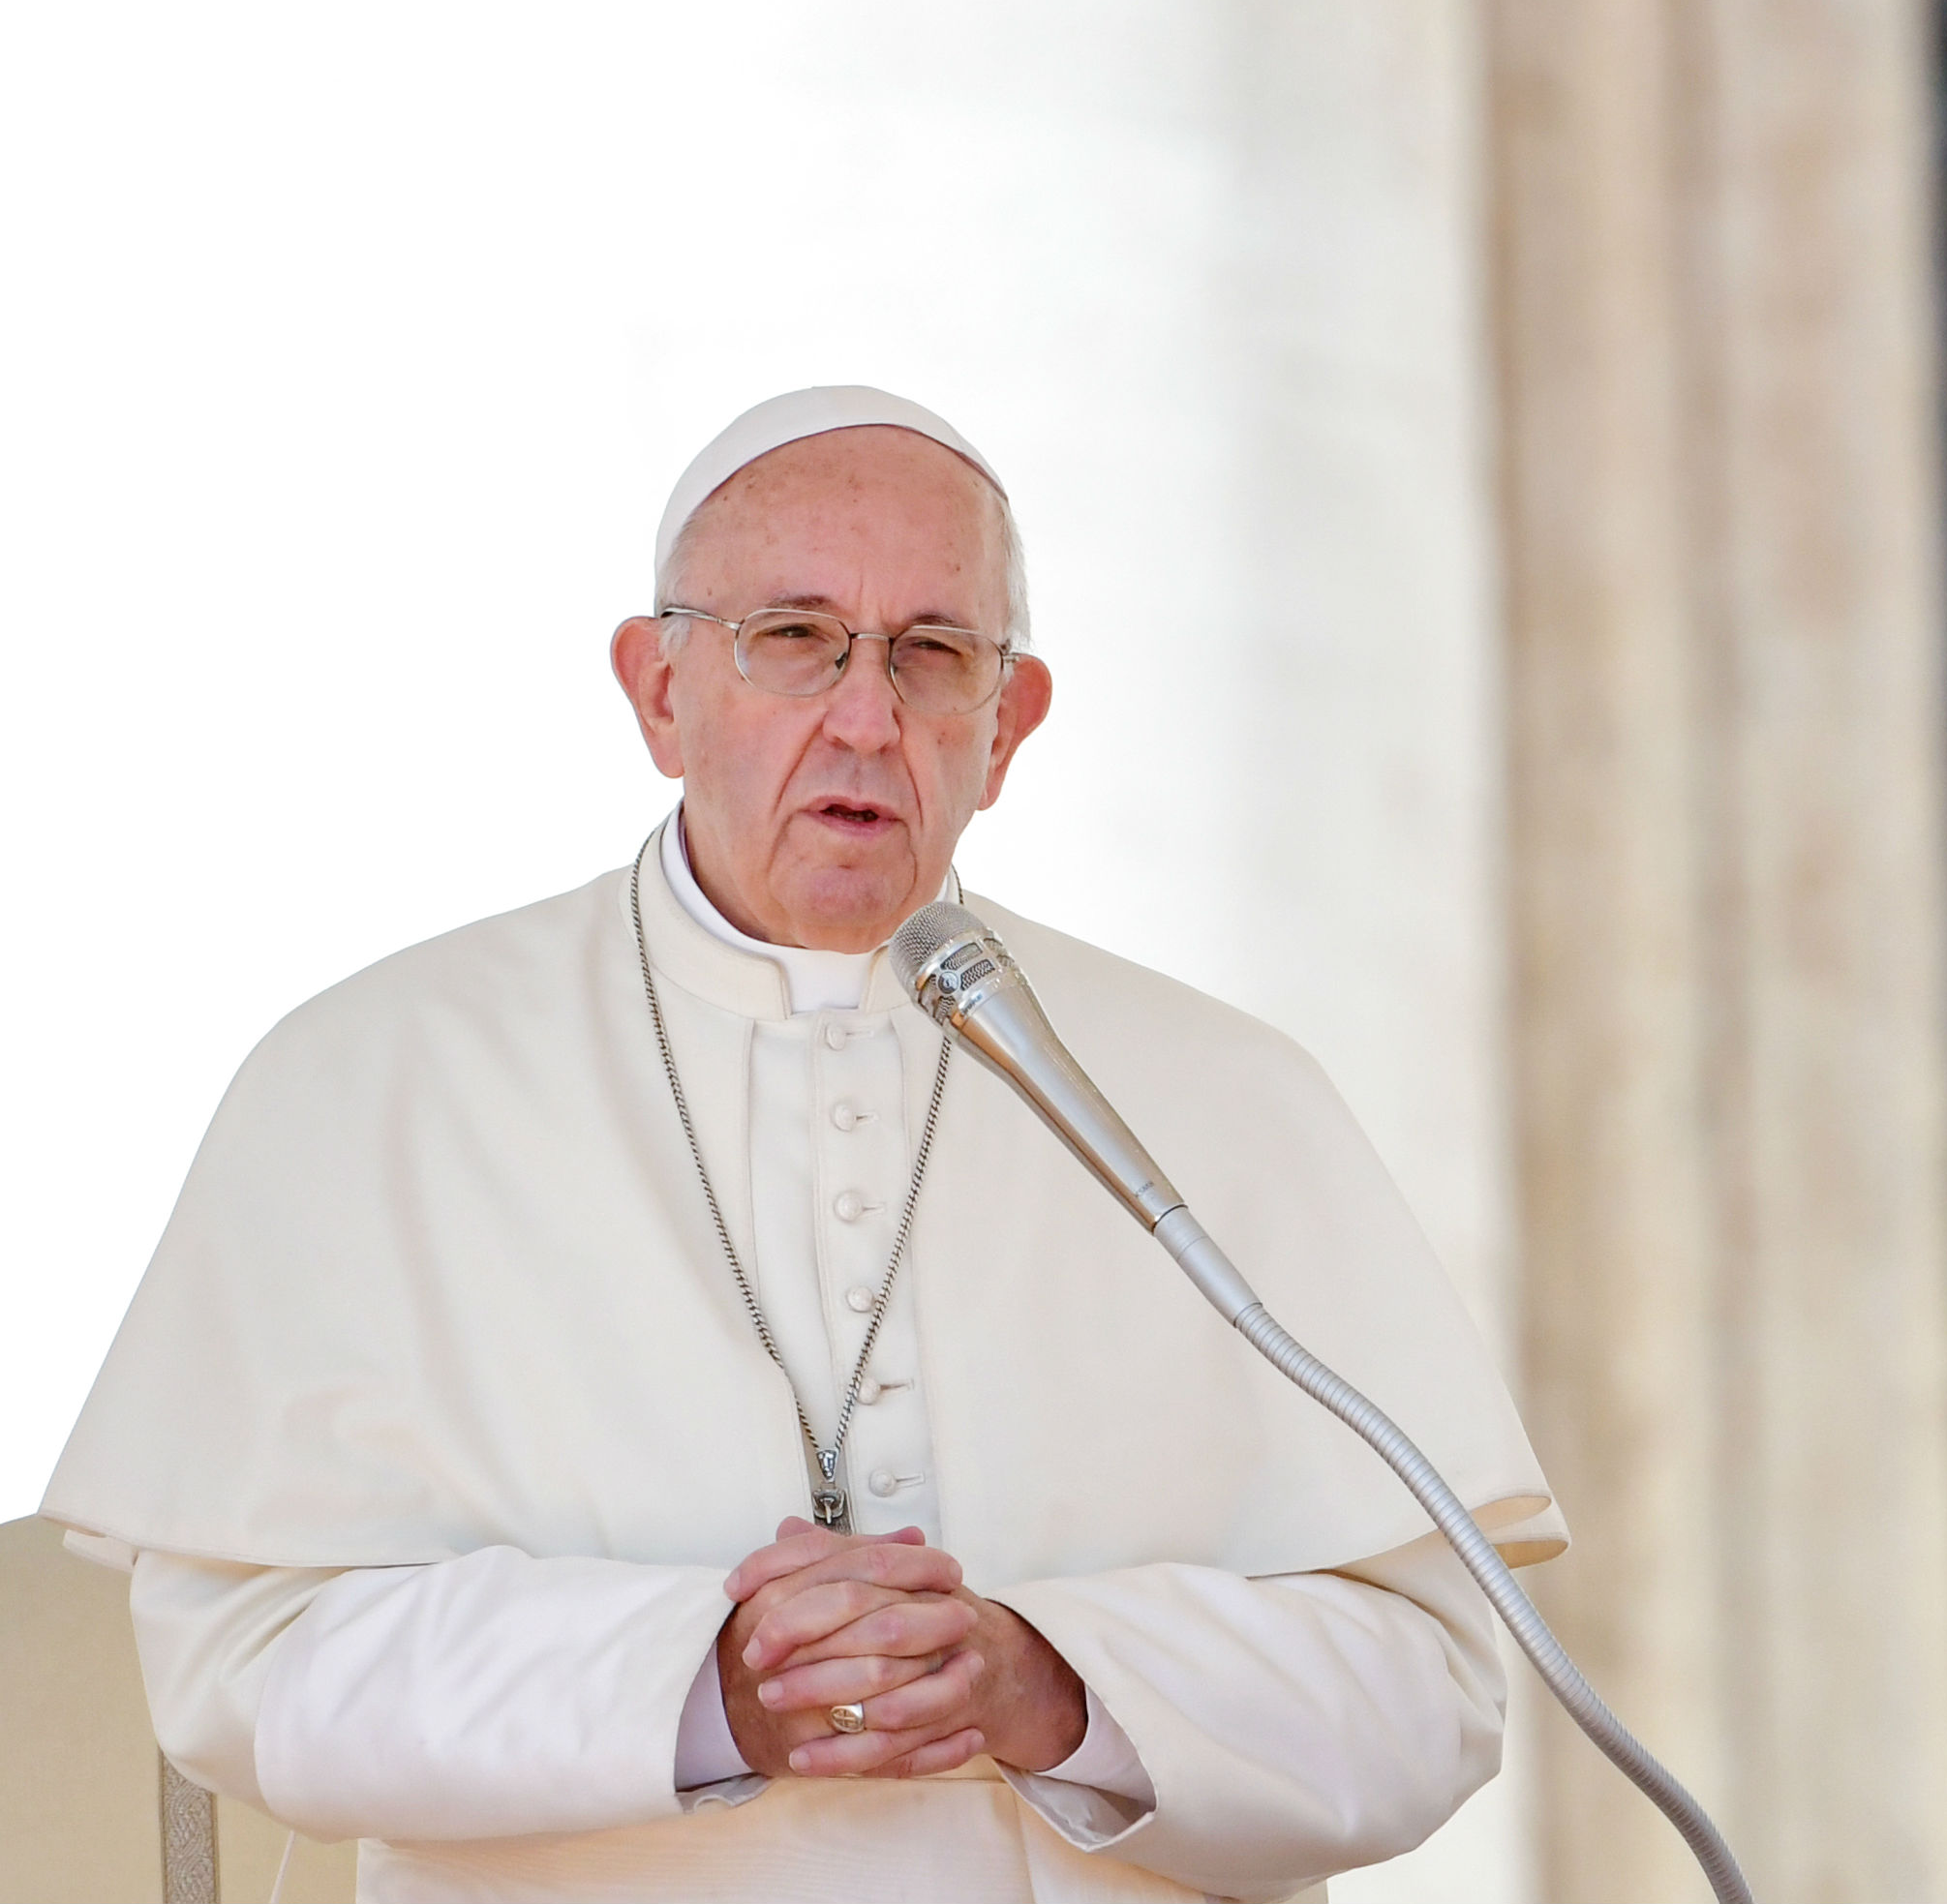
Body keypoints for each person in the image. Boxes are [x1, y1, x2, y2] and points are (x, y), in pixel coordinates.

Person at [45, 386, 1561, 1903]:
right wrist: (700, 1680)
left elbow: (1427, 1684)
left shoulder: (1224, 1096)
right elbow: (237, 1665)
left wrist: (1053, 1680)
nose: (865, 715)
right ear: (657, 690)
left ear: (1006, 726)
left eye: (933, 653)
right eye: (793, 636)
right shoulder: (371, 1078)